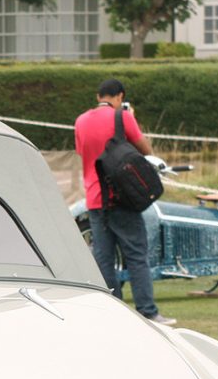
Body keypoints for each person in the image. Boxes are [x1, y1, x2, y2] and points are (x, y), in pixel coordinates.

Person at [74, 78, 176, 327]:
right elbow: (145, 151)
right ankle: (148, 311)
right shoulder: (123, 117)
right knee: (136, 255)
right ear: (119, 96)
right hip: (122, 196)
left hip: (95, 198)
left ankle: (112, 311)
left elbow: (82, 154)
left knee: (103, 256)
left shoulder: (80, 121)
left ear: (98, 96)